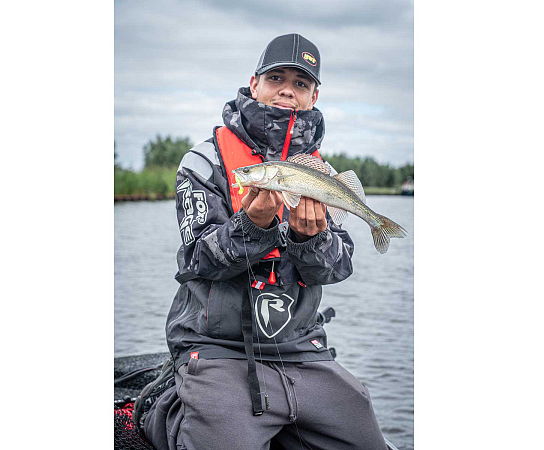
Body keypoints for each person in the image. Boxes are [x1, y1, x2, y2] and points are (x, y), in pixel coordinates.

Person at [139, 33, 388, 450]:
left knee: (364, 436)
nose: (288, 90)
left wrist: (310, 238)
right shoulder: (205, 162)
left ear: (313, 96)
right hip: (218, 347)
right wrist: (252, 226)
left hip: (301, 348)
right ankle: (166, 409)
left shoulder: (323, 175)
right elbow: (197, 260)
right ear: (254, 84)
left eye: (301, 83)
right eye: (276, 78)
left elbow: (338, 268)